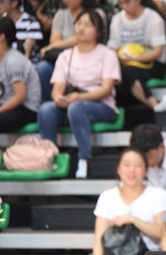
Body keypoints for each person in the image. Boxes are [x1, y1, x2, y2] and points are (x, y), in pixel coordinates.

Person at [38, 10, 121, 179]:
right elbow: (57, 86)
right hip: (71, 103)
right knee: (46, 109)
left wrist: (79, 97)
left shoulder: (108, 54)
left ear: (98, 31)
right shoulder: (65, 55)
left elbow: (106, 89)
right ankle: (50, 157)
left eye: (88, 25)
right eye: (79, 24)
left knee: (77, 107)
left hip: (101, 106)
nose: (81, 28)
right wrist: (58, 98)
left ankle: (84, 159)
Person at [107, 0, 166, 112]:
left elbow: (157, 52)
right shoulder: (117, 19)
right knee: (123, 72)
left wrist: (133, 58)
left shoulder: (154, 18)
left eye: (127, 3)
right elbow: (113, 49)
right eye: (121, 4)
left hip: (152, 63)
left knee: (127, 72)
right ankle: (155, 106)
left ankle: (152, 104)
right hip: (126, 63)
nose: (124, 7)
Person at [36, 0, 106, 103]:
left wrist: (54, 46)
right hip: (64, 60)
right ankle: (51, 104)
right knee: (43, 67)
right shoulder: (60, 14)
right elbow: (54, 41)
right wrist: (56, 45)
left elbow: (85, 37)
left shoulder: (96, 13)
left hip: (90, 58)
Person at [0, 17, 41, 132]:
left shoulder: (14, 61)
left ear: (1, 37)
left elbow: (20, 96)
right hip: (8, 106)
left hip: (26, 109)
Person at [129, 124, 166, 196]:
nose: (145, 161)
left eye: (149, 156)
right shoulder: (140, 159)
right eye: (142, 157)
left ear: (161, 147)